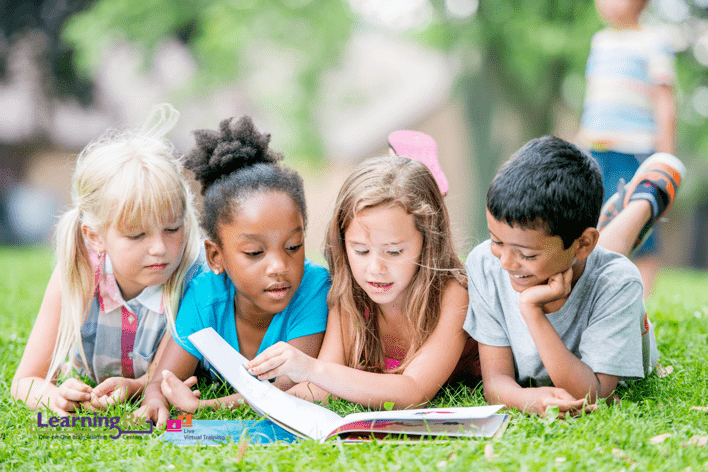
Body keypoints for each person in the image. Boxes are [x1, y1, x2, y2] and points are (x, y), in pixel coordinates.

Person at [464, 136, 684, 418]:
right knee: (595, 254)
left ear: (582, 243)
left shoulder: (617, 282)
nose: (505, 263)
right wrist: (524, 398)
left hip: (593, 259)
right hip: (579, 247)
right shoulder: (485, 264)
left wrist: (532, 311)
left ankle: (645, 199)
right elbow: (495, 380)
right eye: (496, 241)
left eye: (526, 254)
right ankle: (612, 217)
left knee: (602, 262)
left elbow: (594, 394)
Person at [244, 154, 481, 409]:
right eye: (360, 251)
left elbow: (414, 391)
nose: (376, 269)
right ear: (343, 242)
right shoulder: (350, 295)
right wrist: (236, 402)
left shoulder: (452, 293)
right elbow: (322, 387)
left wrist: (311, 368)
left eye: (394, 252)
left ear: (428, 242)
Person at [12, 105, 204, 415]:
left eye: (172, 228)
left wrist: (136, 387)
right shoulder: (77, 274)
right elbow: (26, 380)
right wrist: (55, 397)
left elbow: (165, 378)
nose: (159, 248)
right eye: (137, 235)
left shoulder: (193, 279)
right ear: (95, 236)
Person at [138, 116, 330, 426]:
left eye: (293, 246)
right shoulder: (205, 294)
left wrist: (205, 408)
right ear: (215, 256)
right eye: (255, 253)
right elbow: (164, 377)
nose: (280, 266)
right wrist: (155, 398)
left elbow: (284, 388)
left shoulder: (313, 288)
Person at [577, 0, 677, 297]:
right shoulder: (600, 42)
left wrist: (665, 159)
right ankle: (600, 295)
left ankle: (644, 302)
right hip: (596, 149)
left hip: (635, 149)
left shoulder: (654, 41)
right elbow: (592, 99)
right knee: (597, 223)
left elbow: (664, 102)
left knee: (640, 222)